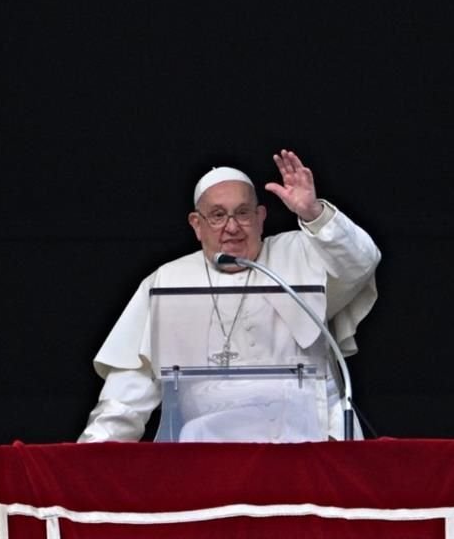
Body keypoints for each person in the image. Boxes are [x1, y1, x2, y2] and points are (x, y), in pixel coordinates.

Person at [78, 149, 381, 442]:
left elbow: (361, 261)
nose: (232, 227)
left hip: (310, 438)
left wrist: (313, 214)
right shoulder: (167, 280)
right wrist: (94, 455)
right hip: (211, 447)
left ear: (261, 216)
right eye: (218, 215)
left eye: (243, 213)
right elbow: (131, 385)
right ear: (197, 225)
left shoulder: (299, 252)